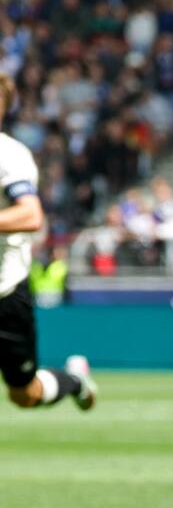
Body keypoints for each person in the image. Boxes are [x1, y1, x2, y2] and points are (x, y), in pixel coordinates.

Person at [0, 74, 96, 412]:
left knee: (24, 395)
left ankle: (73, 380)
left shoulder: (9, 156)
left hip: (6, 293)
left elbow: (30, 215)